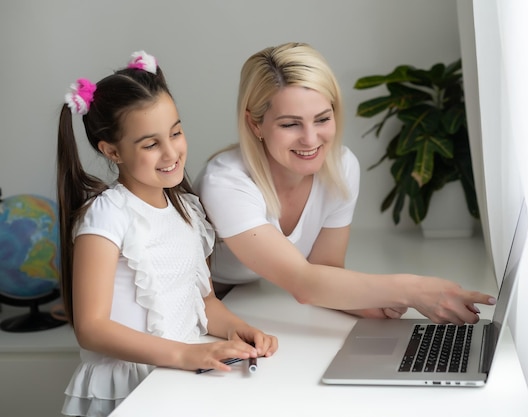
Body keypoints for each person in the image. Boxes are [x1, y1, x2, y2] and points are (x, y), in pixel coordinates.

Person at [194, 42, 496, 324]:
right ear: (255, 123)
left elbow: (324, 269)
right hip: (198, 308)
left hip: (244, 302)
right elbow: (303, 283)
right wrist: (413, 289)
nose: (311, 139)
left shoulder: (341, 166)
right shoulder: (225, 183)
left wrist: (370, 302)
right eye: (290, 124)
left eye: (322, 119)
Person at [56, 51, 278, 417]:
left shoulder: (187, 210)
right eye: (150, 144)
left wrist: (240, 330)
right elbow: (91, 329)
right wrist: (184, 354)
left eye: (176, 132)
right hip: (127, 389)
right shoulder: (107, 215)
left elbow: (204, 304)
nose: (172, 151)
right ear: (111, 150)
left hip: (178, 375)